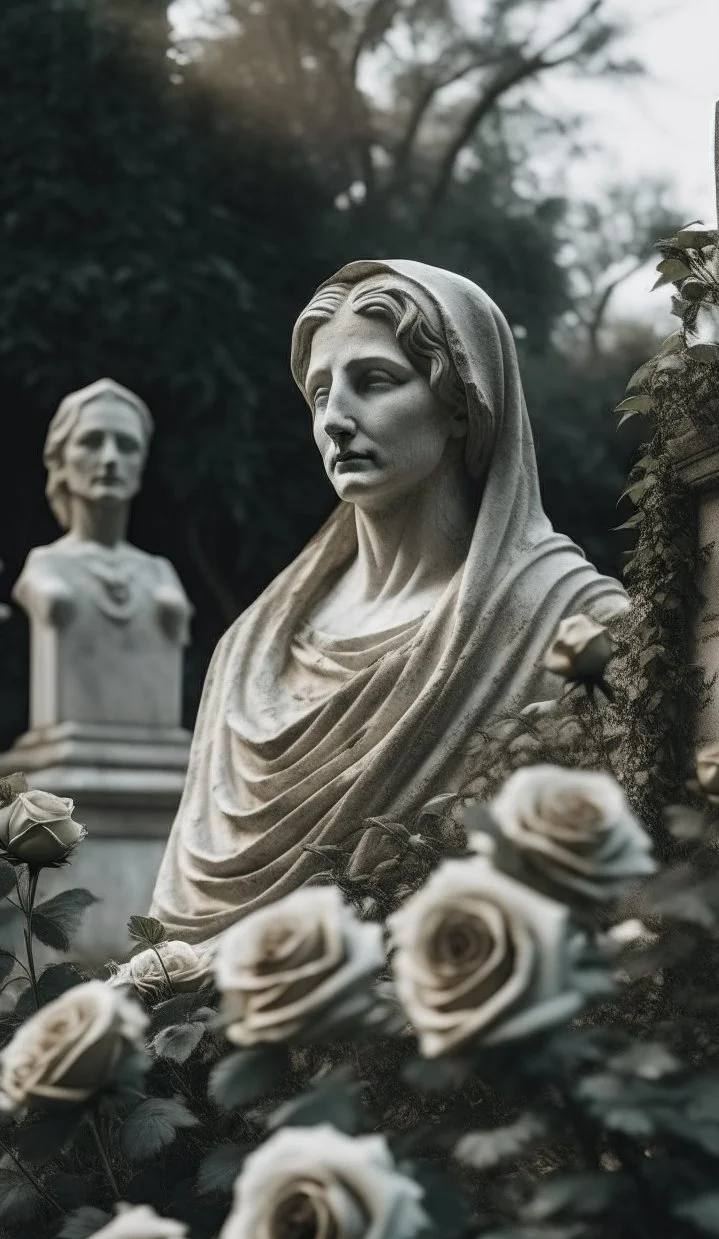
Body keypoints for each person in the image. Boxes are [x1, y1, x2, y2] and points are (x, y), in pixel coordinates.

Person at [150, 260, 628, 944]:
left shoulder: (569, 622)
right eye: (319, 394)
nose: (336, 420)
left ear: (464, 404)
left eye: (375, 381)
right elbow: (172, 928)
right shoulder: (248, 653)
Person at [15, 378, 191, 728]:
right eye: (91, 442)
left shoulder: (160, 572)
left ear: (140, 464)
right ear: (61, 461)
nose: (110, 459)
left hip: (159, 758)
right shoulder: (45, 566)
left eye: (126, 445)